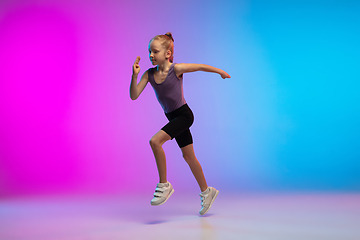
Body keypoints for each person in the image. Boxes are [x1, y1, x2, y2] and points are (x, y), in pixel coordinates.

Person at [130, 32, 231, 215]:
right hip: (173, 117)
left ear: (167, 53)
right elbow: (134, 95)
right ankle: (207, 191)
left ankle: (164, 184)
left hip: (184, 116)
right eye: (149, 52)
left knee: (155, 141)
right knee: (189, 157)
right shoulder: (149, 74)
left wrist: (220, 72)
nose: (151, 55)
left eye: (155, 51)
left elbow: (199, 66)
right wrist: (134, 76)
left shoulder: (176, 69)